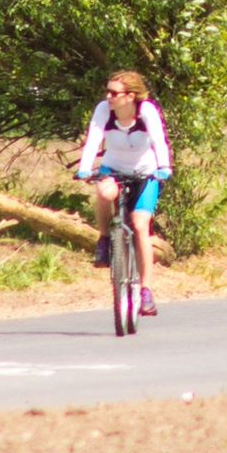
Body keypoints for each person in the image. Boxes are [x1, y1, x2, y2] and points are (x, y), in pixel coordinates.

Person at [75, 70, 172, 317]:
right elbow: (94, 139)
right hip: (114, 168)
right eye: (107, 91)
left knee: (140, 226)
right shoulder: (103, 110)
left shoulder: (146, 110)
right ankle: (105, 237)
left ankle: (146, 291)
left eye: (114, 93)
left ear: (130, 96)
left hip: (145, 174)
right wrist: (84, 168)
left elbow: (159, 140)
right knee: (105, 193)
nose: (108, 96)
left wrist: (164, 167)